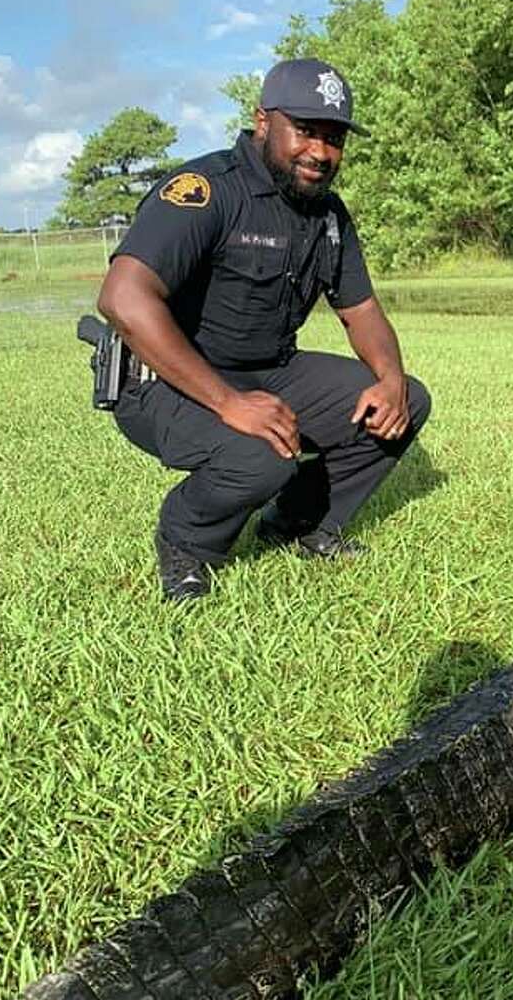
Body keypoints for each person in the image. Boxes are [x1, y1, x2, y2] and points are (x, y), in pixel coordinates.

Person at [96, 57, 431, 601]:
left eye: (334, 138)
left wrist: (389, 377)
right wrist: (230, 403)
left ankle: (300, 524)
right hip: (166, 380)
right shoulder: (206, 190)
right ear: (262, 120)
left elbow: (361, 310)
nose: (320, 153)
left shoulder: (327, 215)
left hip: (267, 370)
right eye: (306, 131)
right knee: (261, 454)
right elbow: (122, 298)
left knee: (406, 400)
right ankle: (185, 540)